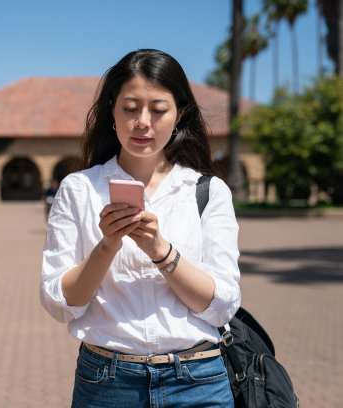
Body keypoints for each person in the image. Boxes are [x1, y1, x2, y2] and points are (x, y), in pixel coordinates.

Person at [40, 49, 240, 407]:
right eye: (130, 108)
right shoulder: (80, 189)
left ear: (179, 114)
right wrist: (107, 246)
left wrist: (161, 252)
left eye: (158, 110)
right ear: (112, 111)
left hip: (199, 381)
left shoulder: (208, 191)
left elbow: (220, 306)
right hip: (107, 382)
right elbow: (61, 301)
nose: (142, 122)